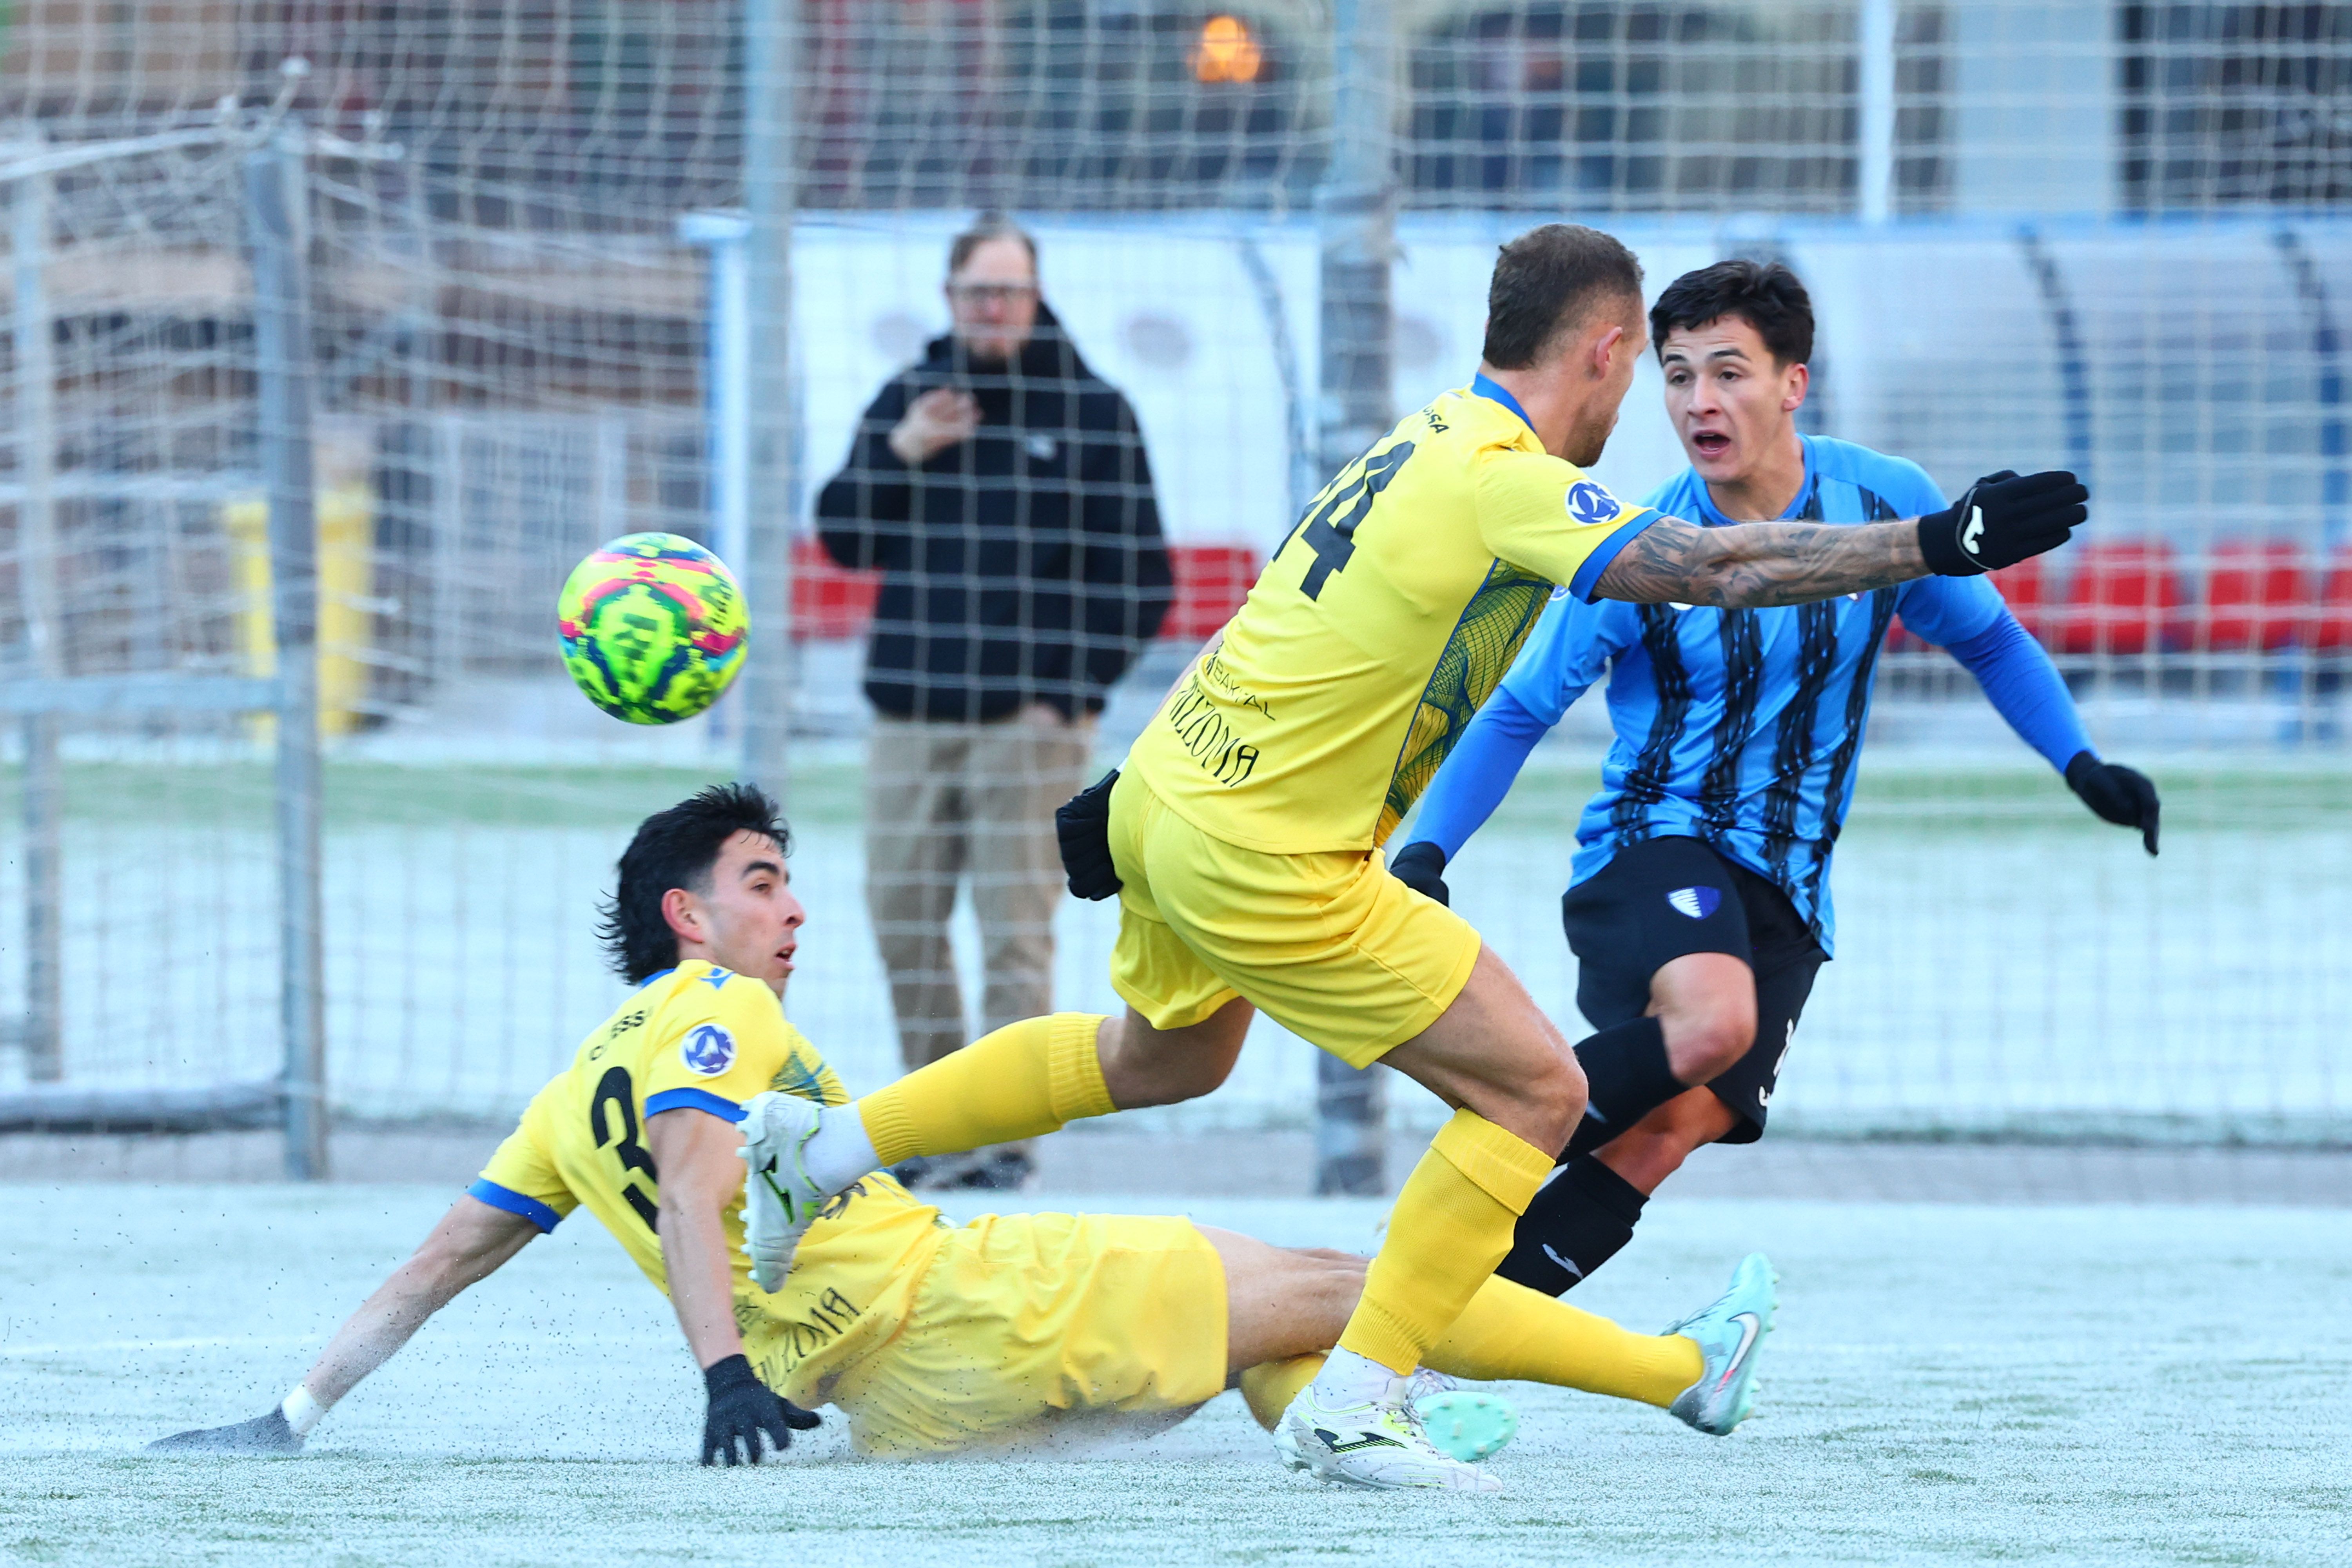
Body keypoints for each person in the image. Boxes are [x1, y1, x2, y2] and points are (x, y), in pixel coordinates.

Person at [740, 222, 2092, 1492]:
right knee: (1538, 1092)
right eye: (1649, 366)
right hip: (1271, 855)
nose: (1651, 398)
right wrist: (1932, 544)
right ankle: (1358, 1395)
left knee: (1168, 1059)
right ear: (1608, 351)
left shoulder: (1418, 434)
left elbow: (1282, 605)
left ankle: (825, 1147)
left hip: (1175, 795)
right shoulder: (1508, 475)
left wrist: (1137, 788)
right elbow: (1708, 567)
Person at [147, 784, 1772, 1475]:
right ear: (687, 918)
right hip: (967, 1310)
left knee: (1278, 1325)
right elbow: (704, 1187)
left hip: (898, 1400)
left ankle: (1372, 1435)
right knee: (1355, 1289)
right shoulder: (719, 1011)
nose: (791, 908)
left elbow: (442, 1259)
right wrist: (718, 1375)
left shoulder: (571, 1091)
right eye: (762, 882)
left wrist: (293, 1411)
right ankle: (1678, 1374)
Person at [1387, 259, 2160, 1296]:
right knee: (1715, 1024)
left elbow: (1989, 640)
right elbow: (1524, 707)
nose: (1698, 401)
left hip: (1791, 890)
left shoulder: (1883, 499)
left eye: (1728, 372)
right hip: (1653, 847)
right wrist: (1429, 850)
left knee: (1668, 1133)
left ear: (1793, 383)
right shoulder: (1641, 545)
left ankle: (1437, 1333)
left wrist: (2081, 762)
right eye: (1677, 375)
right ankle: (1480, 1149)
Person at [814, 215, 1173, 1191]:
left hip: (1029, 722)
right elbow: (842, 536)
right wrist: (900, 451)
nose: (993, 309)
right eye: (977, 292)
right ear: (950, 297)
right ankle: (937, 1128)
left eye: (1009, 292)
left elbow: (1142, 577)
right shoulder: (913, 398)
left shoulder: (1093, 410)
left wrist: (1070, 693)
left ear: (1035, 296)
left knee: (1015, 930)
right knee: (902, 917)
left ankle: (1006, 1139)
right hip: (911, 712)